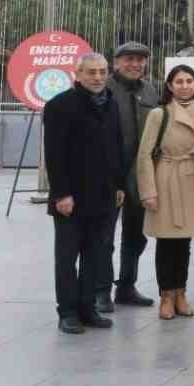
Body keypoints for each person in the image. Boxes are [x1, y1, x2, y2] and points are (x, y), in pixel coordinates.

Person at [43, 53, 121, 334]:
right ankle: (67, 312)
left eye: (102, 71)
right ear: (78, 74)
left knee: (95, 256)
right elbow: (54, 154)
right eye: (91, 72)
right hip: (71, 199)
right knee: (67, 258)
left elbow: (116, 147)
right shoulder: (60, 106)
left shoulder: (110, 103)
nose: (98, 77)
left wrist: (119, 185)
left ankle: (88, 309)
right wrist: (61, 194)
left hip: (103, 197)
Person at [136, 65, 194, 321]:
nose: (185, 86)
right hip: (167, 178)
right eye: (179, 81)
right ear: (169, 85)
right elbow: (145, 154)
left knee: (184, 243)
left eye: (190, 81)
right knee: (167, 241)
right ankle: (166, 295)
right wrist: (148, 191)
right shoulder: (159, 114)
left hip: (192, 179)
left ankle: (181, 292)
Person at [102, 41, 158, 311]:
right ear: (116, 62)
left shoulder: (149, 90)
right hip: (110, 175)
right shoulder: (104, 88)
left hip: (140, 175)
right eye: (129, 59)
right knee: (104, 237)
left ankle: (126, 285)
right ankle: (101, 290)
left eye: (140, 60)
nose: (135, 64)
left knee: (136, 236)